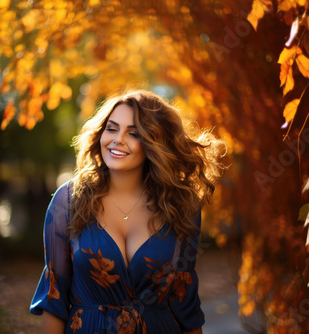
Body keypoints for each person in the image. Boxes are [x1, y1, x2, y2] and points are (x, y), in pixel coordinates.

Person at [29, 90, 227, 333]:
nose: (117, 139)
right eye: (111, 129)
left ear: (154, 143)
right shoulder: (68, 201)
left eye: (133, 133)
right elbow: (54, 297)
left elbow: (185, 302)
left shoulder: (181, 206)